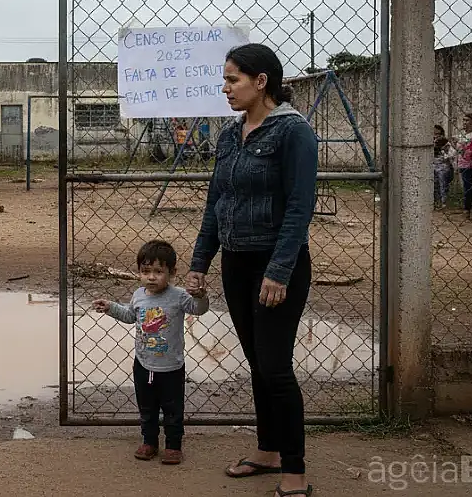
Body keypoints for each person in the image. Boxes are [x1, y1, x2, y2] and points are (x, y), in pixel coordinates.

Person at [185, 42, 318, 497]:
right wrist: (200, 263)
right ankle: (268, 451)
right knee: (258, 364)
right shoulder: (229, 134)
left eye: (232, 79)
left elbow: (300, 207)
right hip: (236, 264)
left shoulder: (293, 132)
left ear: (261, 82)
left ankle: (295, 473)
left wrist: (279, 271)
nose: (225, 88)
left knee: (277, 367)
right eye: (224, 79)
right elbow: (216, 202)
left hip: (276, 265)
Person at [92, 239, 209, 466]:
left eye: (158, 271)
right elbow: (130, 316)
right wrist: (110, 307)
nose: (152, 277)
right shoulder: (139, 295)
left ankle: (173, 446)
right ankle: (149, 442)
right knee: (147, 406)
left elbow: (199, 310)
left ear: (172, 272)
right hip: (143, 364)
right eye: (146, 271)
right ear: (139, 272)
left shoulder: (179, 296)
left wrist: (200, 296)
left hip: (171, 367)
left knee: (173, 409)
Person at [454, 113, 472, 215]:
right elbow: (458, 150)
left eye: (467, 120)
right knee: (466, 186)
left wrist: (461, 142)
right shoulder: (462, 134)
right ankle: (467, 207)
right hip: (463, 163)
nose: (464, 123)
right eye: (464, 120)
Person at [433, 125, 457, 210]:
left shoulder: (446, 144)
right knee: (435, 185)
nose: (436, 136)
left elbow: (452, 154)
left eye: (439, 134)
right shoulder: (431, 144)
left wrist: (444, 151)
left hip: (444, 168)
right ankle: (436, 202)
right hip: (433, 167)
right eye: (434, 134)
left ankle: (444, 202)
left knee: (443, 184)